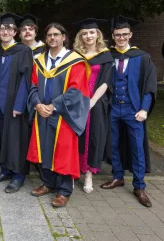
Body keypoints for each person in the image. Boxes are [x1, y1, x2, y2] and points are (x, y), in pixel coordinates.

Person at [27, 23, 89, 207]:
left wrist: (53, 106)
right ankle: (48, 183)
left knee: (63, 151)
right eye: (49, 35)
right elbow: (32, 85)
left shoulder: (75, 61)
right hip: (42, 113)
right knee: (44, 148)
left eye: (56, 34)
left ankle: (63, 191)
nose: (52, 38)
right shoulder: (39, 60)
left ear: (64, 37)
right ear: (46, 39)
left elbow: (76, 90)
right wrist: (37, 104)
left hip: (63, 114)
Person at [101, 16, 157, 208]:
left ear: (130, 35)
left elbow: (149, 87)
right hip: (114, 108)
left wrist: (144, 108)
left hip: (134, 110)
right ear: (113, 36)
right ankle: (117, 177)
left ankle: (139, 186)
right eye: (118, 35)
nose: (121, 38)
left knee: (137, 148)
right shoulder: (109, 57)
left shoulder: (142, 57)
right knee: (114, 144)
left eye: (125, 34)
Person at [0, 13, 33, 193]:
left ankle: (19, 175)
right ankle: (5, 170)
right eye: (2, 29)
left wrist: (19, 104)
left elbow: (26, 79)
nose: (5, 31)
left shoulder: (23, 51)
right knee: (2, 137)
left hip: (14, 104)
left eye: (9, 29)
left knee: (16, 139)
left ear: (15, 32)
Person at [73, 19, 113, 193]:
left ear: (97, 34)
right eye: (85, 33)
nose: (88, 36)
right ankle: (72, 173)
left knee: (93, 136)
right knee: (74, 136)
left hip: (95, 101)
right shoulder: (74, 55)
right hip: (76, 100)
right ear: (80, 36)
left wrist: (93, 100)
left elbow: (105, 81)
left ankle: (89, 174)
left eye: (91, 32)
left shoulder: (105, 56)